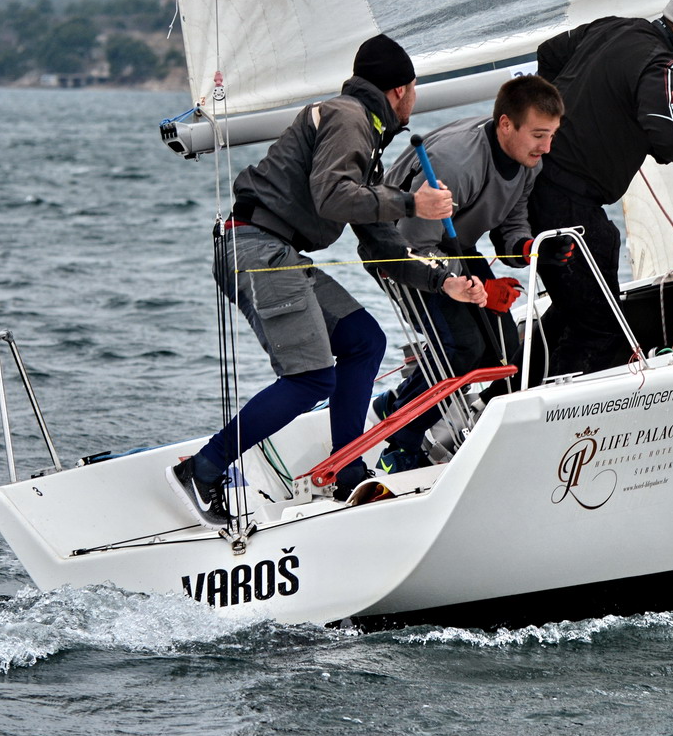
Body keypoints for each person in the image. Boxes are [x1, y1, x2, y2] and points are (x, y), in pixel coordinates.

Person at [168, 34, 487, 529]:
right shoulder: (348, 117)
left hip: (273, 249)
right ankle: (202, 469)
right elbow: (333, 197)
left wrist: (445, 281)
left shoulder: (362, 132)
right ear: (400, 90)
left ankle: (346, 469)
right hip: (257, 247)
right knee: (310, 379)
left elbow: (381, 244)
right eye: (414, 88)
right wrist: (411, 203)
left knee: (364, 340)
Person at [529, 0, 673, 376]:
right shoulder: (663, 66)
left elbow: (548, 53)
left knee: (583, 299)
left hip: (538, 184)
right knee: (602, 328)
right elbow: (672, 142)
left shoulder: (614, 26)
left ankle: (502, 392)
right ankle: (561, 405)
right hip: (567, 200)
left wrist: (555, 115)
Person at [371, 75, 565, 472]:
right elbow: (413, 244)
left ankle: (397, 404)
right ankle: (401, 444)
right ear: (506, 124)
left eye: (552, 135)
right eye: (538, 135)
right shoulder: (456, 164)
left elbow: (512, 219)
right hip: (401, 253)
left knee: (502, 347)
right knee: (463, 346)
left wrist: (529, 249)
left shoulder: (528, 161)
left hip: (451, 245)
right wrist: (480, 285)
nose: (546, 147)